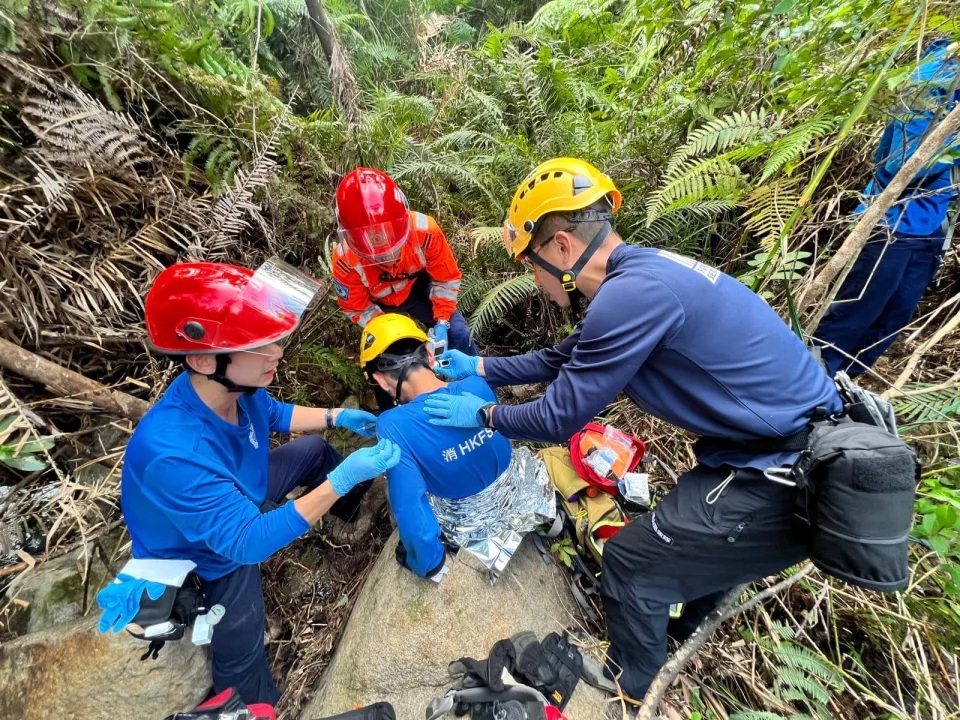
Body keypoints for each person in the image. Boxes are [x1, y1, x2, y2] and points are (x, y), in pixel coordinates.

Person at [421, 157, 843, 702]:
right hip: (763, 455)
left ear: (562, 250)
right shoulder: (642, 275)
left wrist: (484, 416)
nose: (535, 279)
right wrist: (478, 368)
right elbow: (561, 358)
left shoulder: (629, 298)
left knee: (627, 563)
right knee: (685, 562)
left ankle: (629, 690)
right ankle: (666, 645)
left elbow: (556, 418)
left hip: (787, 473)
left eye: (532, 265)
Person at [118, 259, 401, 708]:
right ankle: (251, 705)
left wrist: (335, 417)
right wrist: (341, 478)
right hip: (207, 551)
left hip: (242, 491)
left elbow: (274, 415)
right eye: (260, 344)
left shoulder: (237, 388)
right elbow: (248, 542)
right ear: (203, 358)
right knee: (242, 638)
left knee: (311, 451)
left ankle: (352, 515)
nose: (277, 352)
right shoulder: (171, 453)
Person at [359, 313, 554, 580]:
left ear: (381, 380)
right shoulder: (475, 382)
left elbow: (409, 503)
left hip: (467, 518)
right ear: (430, 355)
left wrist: (429, 564)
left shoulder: (392, 425)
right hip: (519, 489)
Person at [814, 39, 959, 376]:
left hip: (930, 224)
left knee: (894, 317)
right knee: (852, 317)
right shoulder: (933, 75)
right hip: (891, 221)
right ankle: (807, 391)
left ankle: (838, 388)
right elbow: (903, 162)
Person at [332, 167, 478, 408]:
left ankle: (474, 387)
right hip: (378, 309)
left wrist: (441, 322)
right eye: (379, 257)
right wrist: (396, 331)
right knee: (381, 360)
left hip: (418, 290)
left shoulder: (425, 231)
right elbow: (355, 307)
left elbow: (446, 279)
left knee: (459, 333)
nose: (388, 258)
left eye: (393, 249)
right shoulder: (345, 259)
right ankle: (394, 416)